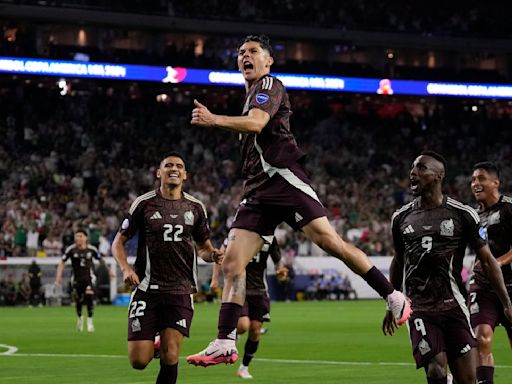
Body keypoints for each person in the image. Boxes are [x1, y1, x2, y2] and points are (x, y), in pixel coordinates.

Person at [186, 34, 411, 367]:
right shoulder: (249, 94)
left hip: (283, 178)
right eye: (240, 53)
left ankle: (393, 296)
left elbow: (258, 123)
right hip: (257, 190)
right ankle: (224, 341)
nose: (245, 56)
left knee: (330, 242)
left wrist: (214, 119)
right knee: (232, 264)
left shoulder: (269, 84)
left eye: (253, 52)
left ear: (268, 60)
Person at [382, 152, 512, 384]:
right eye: (412, 167)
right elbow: (398, 259)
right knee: (435, 372)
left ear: (438, 176)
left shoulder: (463, 214)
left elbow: (488, 260)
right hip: (420, 308)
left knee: (468, 379)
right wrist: (391, 301)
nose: (413, 172)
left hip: (454, 306)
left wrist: (506, 302)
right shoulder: (401, 218)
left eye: (421, 168)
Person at [111, 152, 223, 384]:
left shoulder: (195, 207)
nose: (174, 168)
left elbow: (203, 248)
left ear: (185, 175)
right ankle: (154, 342)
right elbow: (118, 243)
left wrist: (212, 255)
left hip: (180, 291)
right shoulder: (144, 204)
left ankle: (165, 342)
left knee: (171, 354)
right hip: (146, 289)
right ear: (159, 173)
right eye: (168, 165)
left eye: (179, 166)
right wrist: (126, 269)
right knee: (139, 362)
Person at [210, 237, 288, 379]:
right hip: (239, 287)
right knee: (243, 325)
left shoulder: (270, 239)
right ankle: (233, 336)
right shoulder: (240, 232)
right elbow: (219, 255)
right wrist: (215, 279)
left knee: (255, 330)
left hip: (259, 290)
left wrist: (281, 272)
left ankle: (244, 368)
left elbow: (279, 263)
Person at [467, 162, 512, 384]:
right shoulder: (473, 217)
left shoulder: (509, 208)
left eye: (481, 178)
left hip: (511, 286)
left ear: (496, 182)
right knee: (481, 337)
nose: (475, 183)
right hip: (483, 287)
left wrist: (499, 263)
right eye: (473, 179)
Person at [55, 229, 112, 332]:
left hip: (89, 279)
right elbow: (62, 262)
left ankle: (90, 321)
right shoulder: (71, 250)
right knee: (79, 301)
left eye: (80, 236)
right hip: (76, 279)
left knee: (89, 297)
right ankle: (80, 318)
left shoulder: (92, 249)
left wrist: (110, 271)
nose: (78, 238)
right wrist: (58, 276)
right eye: (77, 236)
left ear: (86, 238)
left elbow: (101, 260)